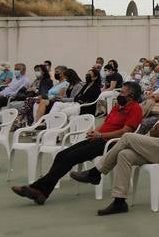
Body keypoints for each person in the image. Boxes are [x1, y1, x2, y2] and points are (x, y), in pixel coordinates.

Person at [70, 75, 159, 215]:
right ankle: (119, 202)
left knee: (127, 137)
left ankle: (96, 172)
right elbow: (155, 131)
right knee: (124, 155)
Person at [12, 81, 145, 205]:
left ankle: (37, 189)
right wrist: (94, 132)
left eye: (122, 92)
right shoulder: (118, 107)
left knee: (70, 158)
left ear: (131, 95)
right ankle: (41, 192)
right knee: (62, 155)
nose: (119, 94)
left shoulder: (135, 109)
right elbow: (106, 123)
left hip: (110, 143)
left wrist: (100, 135)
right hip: (98, 139)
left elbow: (125, 132)